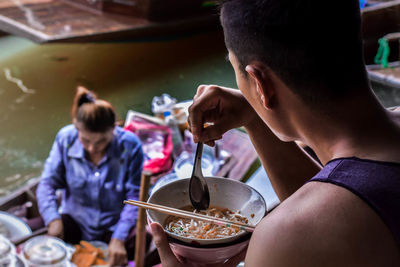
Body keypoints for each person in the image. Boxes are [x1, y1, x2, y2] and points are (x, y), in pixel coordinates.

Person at [150, 0, 400, 266]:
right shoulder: (326, 217)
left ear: (260, 83)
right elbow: (344, 196)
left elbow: (324, 215)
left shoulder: (286, 238)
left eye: (234, 69)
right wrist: (255, 118)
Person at [37, 86, 144, 266]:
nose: (93, 148)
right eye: (85, 140)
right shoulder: (65, 139)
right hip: (75, 221)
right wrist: (53, 220)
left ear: (114, 128)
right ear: (76, 128)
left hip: (114, 225)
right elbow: (47, 184)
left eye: (101, 141)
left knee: (142, 242)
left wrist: (119, 238)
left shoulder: (130, 145)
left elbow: (135, 196)